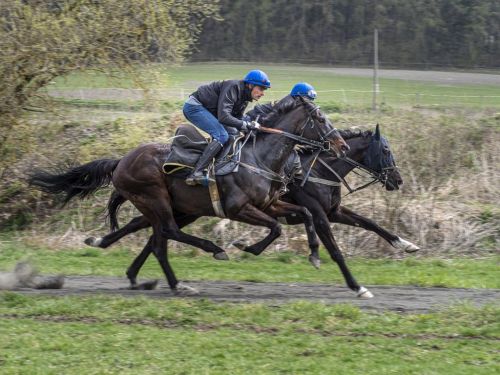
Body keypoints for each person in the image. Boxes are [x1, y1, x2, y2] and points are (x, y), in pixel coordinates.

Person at [183, 70, 271, 186]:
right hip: (194, 107)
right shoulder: (233, 87)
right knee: (221, 135)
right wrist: (246, 125)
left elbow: (237, 119)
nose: (262, 93)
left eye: (264, 90)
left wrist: (251, 125)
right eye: (260, 88)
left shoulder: (244, 98)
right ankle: (196, 173)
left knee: (234, 132)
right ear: (250, 85)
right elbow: (224, 117)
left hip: (210, 111)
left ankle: (219, 165)